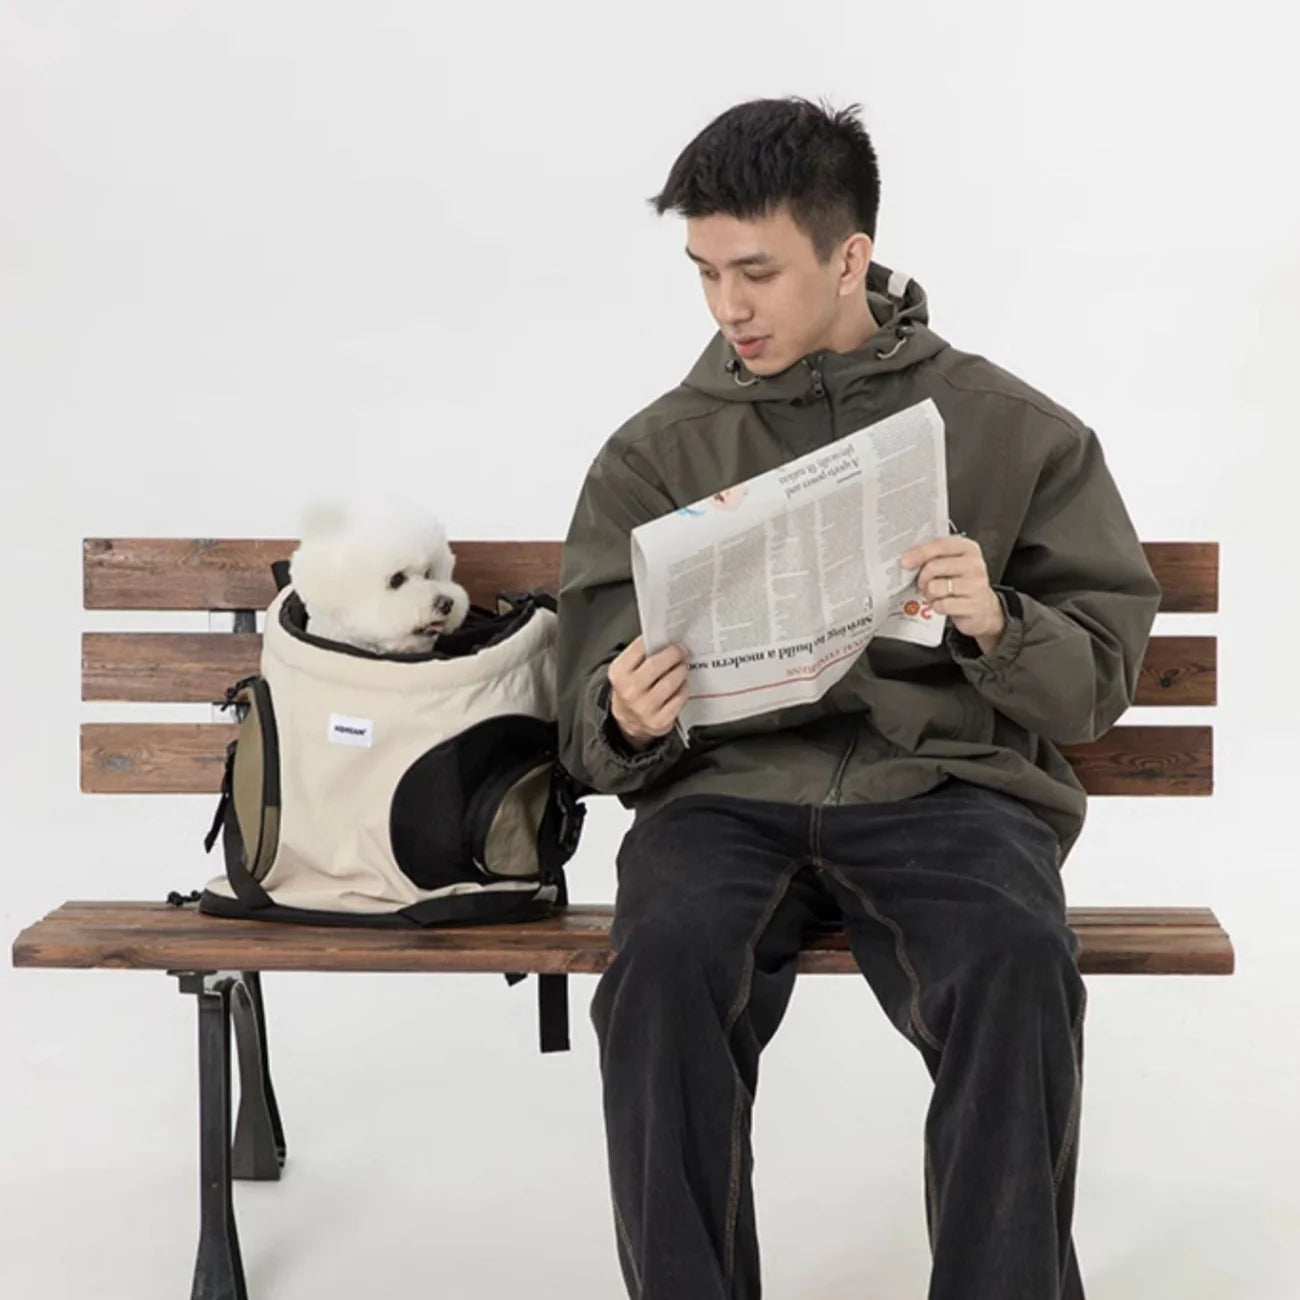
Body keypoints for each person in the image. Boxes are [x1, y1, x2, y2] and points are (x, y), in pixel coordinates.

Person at [555, 96, 1160, 1300]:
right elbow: (584, 712)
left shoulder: (1011, 429)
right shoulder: (656, 452)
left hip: (942, 789)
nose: (729, 306)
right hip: (722, 797)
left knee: (1014, 958)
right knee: (662, 967)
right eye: (705, 272)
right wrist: (625, 716)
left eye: (757, 272)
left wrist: (996, 621)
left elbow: (1095, 680)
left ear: (848, 257)